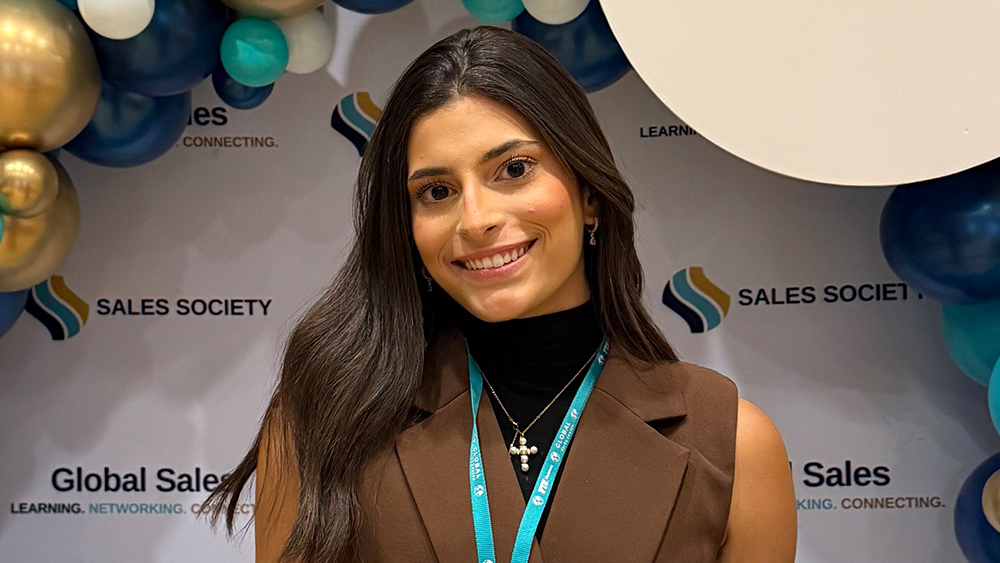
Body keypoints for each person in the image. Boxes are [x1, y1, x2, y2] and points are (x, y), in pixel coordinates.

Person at [203, 25, 797, 563]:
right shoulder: (321, 417)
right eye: (436, 191)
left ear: (589, 193)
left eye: (513, 170)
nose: (476, 218)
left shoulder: (734, 444)